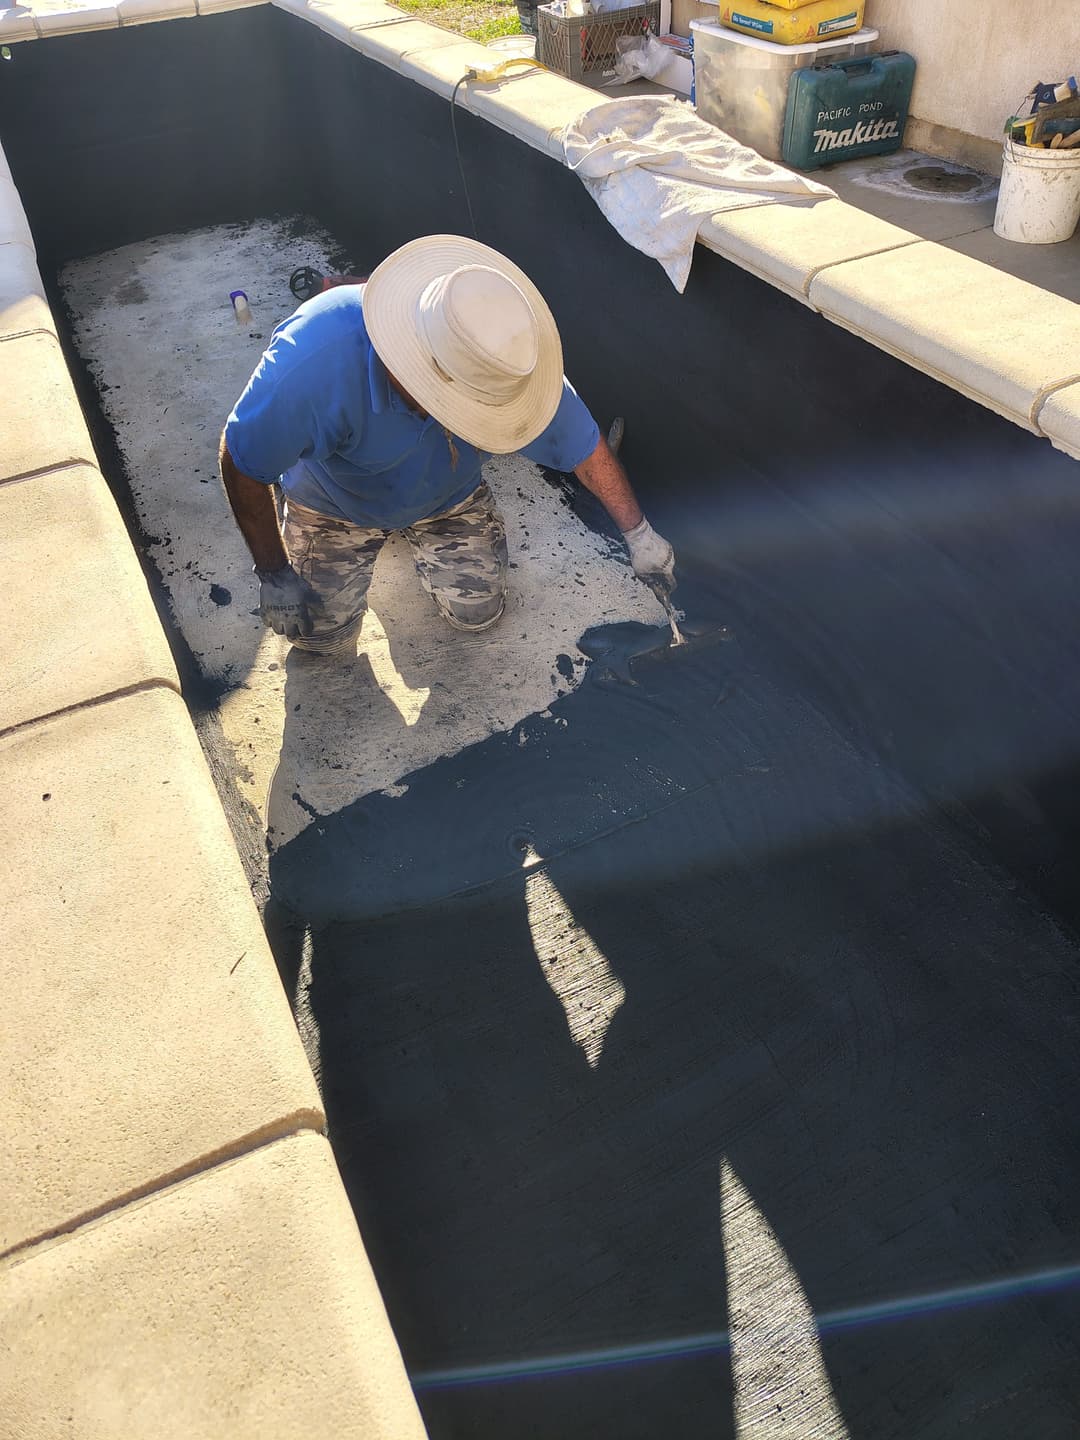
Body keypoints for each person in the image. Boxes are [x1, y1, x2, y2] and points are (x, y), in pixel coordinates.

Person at [220, 234, 676, 656]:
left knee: (479, 616)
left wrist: (640, 535)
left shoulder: (504, 360)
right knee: (320, 642)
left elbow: (586, 449)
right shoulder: (313, 362)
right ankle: (328, 533)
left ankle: (414, 527)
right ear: (407, 360)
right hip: (333, 504)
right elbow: (241, 463)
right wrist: (273, 571)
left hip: (447, 497)